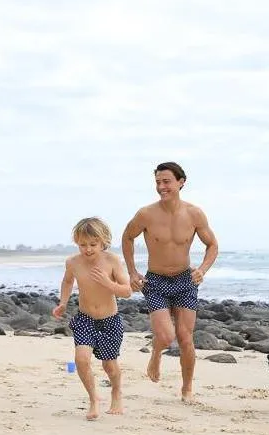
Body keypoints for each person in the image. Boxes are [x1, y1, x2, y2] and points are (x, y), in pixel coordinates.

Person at [122, 162, 218, 402]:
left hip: (185, 281)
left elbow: (212, 245)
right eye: (157, 182)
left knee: (186, 339)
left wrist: (203, 270)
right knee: (165, 337)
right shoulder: (146, 214)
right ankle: (156, 353)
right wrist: (132, 272)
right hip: (155, 282)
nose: (161, 187)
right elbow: (128, 237)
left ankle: (186, 389)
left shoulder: (194, 213)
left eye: (166, 182)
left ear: (181, 182)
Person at [52, 217, 132, 420]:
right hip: (85, 318)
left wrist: (108, 283)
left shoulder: (112, 261)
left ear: (103, 241)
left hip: (109, 321)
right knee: (81, 359)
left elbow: (127, 291)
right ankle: (93, 398)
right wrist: (63, 302)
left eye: (93, 245)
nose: (87, 249)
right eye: (82, 245)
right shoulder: (73, 262)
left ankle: (116, 392)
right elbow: (68, 281)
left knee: (109, 366)